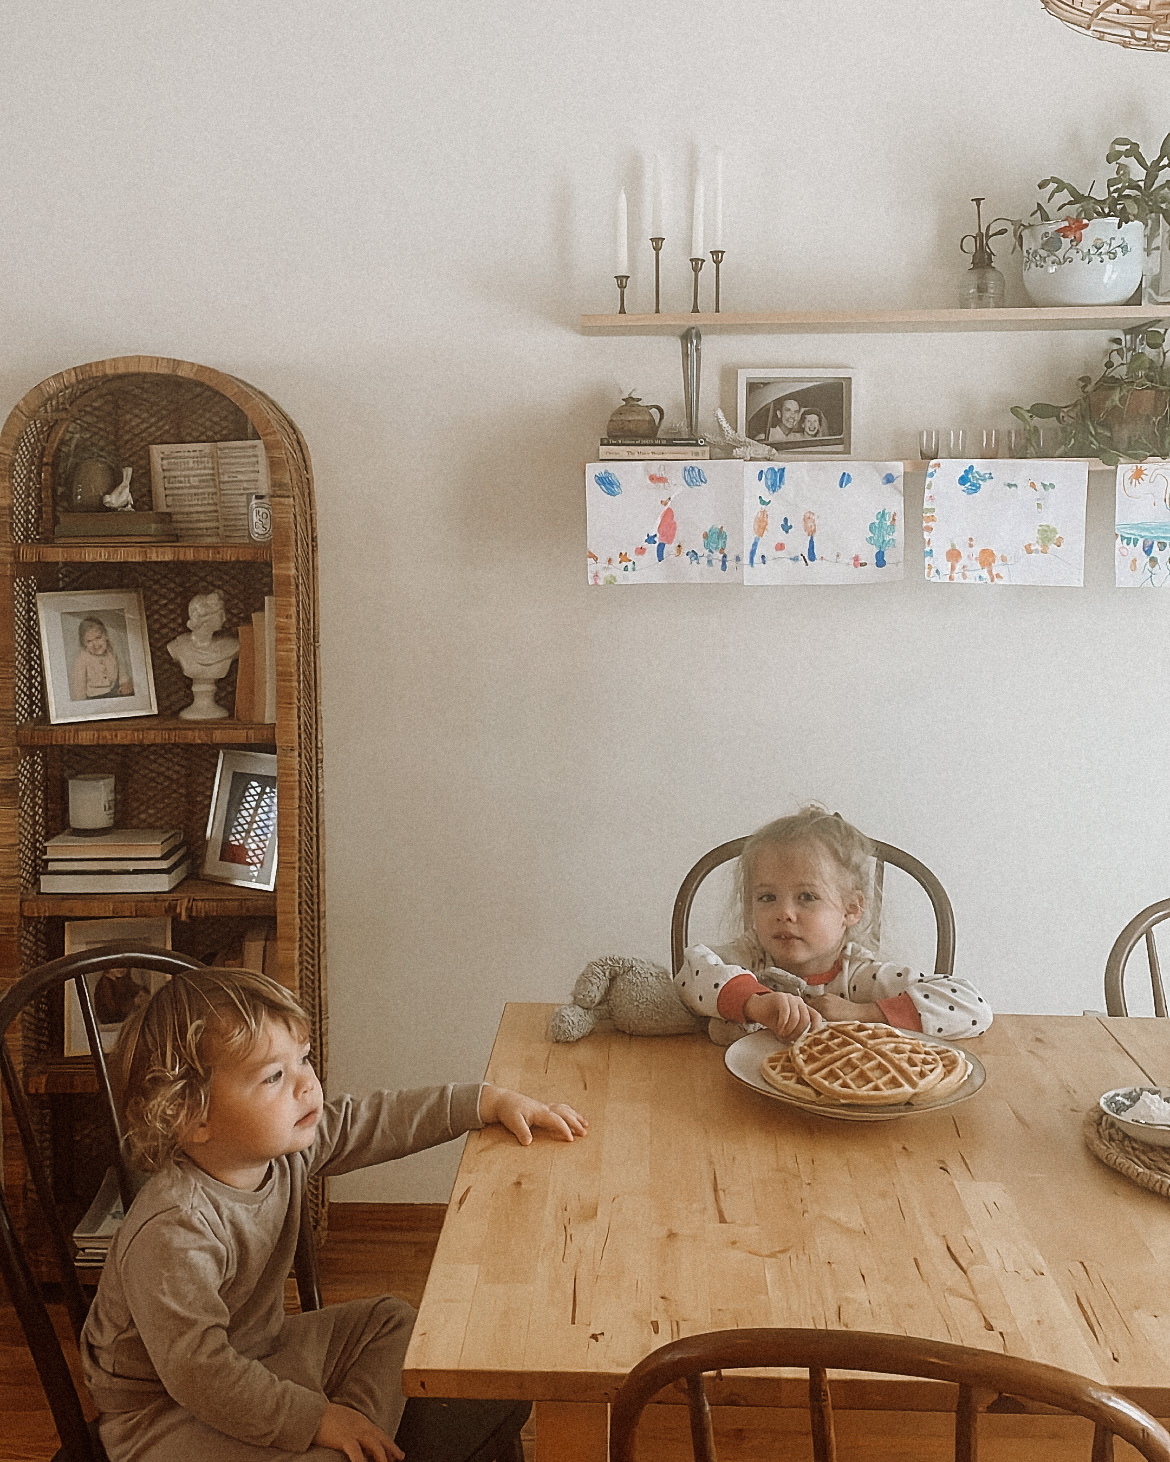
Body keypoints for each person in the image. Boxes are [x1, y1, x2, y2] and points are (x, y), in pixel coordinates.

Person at [81, 967, 588, 1462]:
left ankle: (360, 1435)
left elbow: (379, 1120)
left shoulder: (280, 1148)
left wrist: (486, 1101)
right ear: (190, 1116)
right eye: (274, 1076)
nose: (307, 1084)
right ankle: (345, 1437)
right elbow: (200, 1373)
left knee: (394, 1321)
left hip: (260, 1349)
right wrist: (315, 1420)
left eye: (302, 1059)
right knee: (319, 1433)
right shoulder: (175, 1228)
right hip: (162, 1413)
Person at [674, 805, 991, 1043]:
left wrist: (862, 1013)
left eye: (807, 897)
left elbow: (973, 1008)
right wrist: (756, 1003)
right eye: (767, 897)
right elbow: (689, 975)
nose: (784, 912)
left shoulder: (860, 977)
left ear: (851, 909)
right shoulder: (749, 958)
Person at [70, 614, 132, 700]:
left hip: (114, 693)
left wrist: (125, 682)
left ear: (106, 635)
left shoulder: (111, 650)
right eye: (89, 641)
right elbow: (79, 687)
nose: (95, 644)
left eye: (98, 638)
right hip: (94, 698)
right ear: (83, 643)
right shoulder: (82, 659)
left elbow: (121, 669)